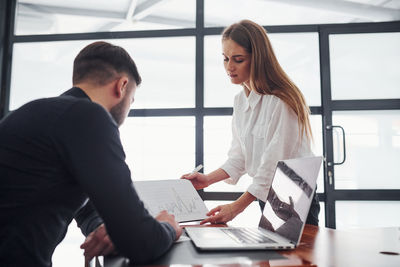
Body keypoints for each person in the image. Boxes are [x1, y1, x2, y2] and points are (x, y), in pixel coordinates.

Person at [0, 41, 182, 266]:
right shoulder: (90, 117)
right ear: (121, 86)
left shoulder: (33, 112)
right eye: (131, 100)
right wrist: (168, 227)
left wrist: (102, 228)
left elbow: (83, 205)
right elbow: (141, 242)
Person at [182, 19, 319, 226]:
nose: (229, 67)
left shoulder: (283, 101)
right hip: (266, 196)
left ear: (258, 59)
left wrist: (235, 207)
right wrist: (207, 179)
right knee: (272, 255)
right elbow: (240, 157)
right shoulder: (240, 101)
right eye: (225, 59)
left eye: (238, 59)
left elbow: (272, 167)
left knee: (294, 258)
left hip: (295, 197)